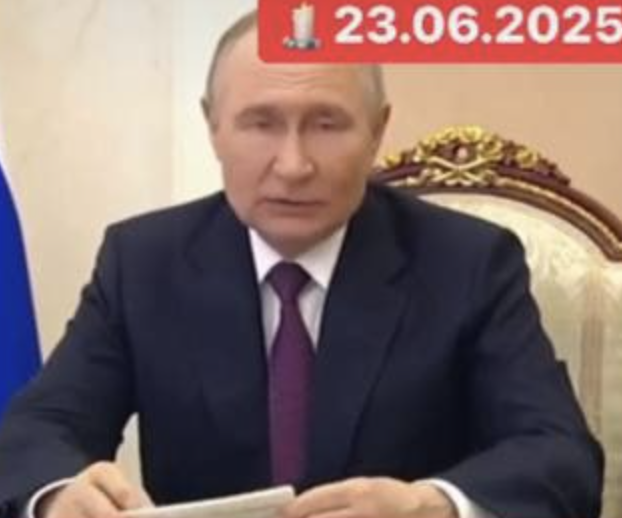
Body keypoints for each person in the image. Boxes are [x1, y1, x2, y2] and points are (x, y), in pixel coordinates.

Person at [0, 10, 603, 518]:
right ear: (213, 126)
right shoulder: (143, 263)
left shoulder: (469, 262)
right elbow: (37, 430)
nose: (293, 165)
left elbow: (560, 456)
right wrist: (58, 494)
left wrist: (432, 504)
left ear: (377, 131)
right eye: (261, 123)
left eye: (326, 124)